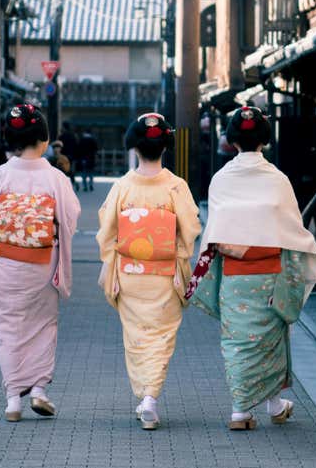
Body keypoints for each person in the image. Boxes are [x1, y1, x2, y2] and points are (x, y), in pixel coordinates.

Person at [187, 106, 316, 431]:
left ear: (232, 141)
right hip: (271, 274)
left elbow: (215, 231)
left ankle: (241, 411)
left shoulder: (221, 180)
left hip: (235, 277)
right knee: (273, 339)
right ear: (264, 139)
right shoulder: (277, 180)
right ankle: (273, 405)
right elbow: (293, 229)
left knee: (237, 341)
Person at [0, 104, 81, 422]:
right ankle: (40, 390)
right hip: (42, 263)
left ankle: (12, 401)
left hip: (6, 262)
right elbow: (70, 217)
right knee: (44, 326)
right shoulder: (56, 178)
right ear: (44, 140)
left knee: (6, 328)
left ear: (11, 140)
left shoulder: (1, 174)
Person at [96, 113, 201, 430]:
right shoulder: (175, 186)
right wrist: (177, 253)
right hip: (164, 273)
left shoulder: (123, 186)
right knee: (161, 336)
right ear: (165, 147)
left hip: (130, 273)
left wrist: (116, 256)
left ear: (135, 148)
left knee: (136, 336)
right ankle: (150, 398)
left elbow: (107, 232)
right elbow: (191, 228)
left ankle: (145, 396)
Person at [58, 123, 80, 191]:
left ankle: (63, 185)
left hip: (63, 155)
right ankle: (74, 183)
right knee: (69, 170)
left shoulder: (62, 136)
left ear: (64, 128)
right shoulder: (73, 136)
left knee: (62, 170)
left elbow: (59, 146)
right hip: (71, 155)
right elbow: (76, 146)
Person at [78, 127, 98, 192]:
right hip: (91, 158)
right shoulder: (93, 140)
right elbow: (96, 149)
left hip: (83, 158)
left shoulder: (82, 140)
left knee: (84, 172)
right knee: (91, 172)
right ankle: (91, 185)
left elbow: (79, 149)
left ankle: (85, 186)